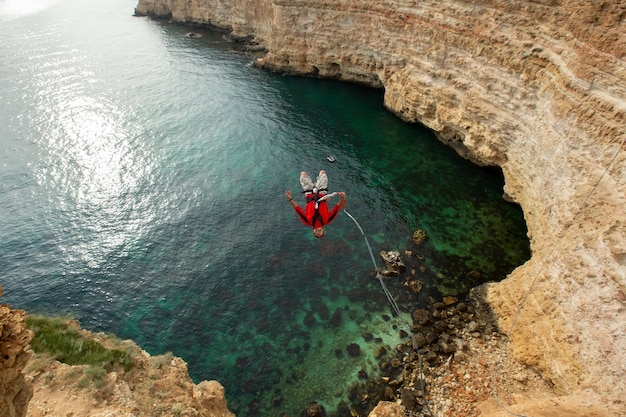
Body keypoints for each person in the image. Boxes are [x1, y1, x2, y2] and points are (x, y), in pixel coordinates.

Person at [285, 170, 347, 238]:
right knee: (322, 172)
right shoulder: (327, 220)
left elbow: (298, 210)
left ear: (313, 231)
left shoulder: (308, 222)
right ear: (323, 230)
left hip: (309, 195)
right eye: (320, 231)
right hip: (322, 194)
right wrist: (342, 198)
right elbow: (336, 209)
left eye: (316, 232)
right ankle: (316, 184)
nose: (318, 231)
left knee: (303, 174)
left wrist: (290, 199)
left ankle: (315, 186)